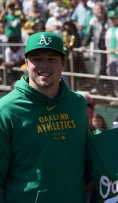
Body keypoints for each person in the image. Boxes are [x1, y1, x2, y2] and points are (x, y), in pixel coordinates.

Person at [0, 32, 91, 202]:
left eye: (51, 59)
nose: (44, 65)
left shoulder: (77, 103)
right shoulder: (6, 110)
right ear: (26, 63)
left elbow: (88, 158)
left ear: (63, 63)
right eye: (37, 59)